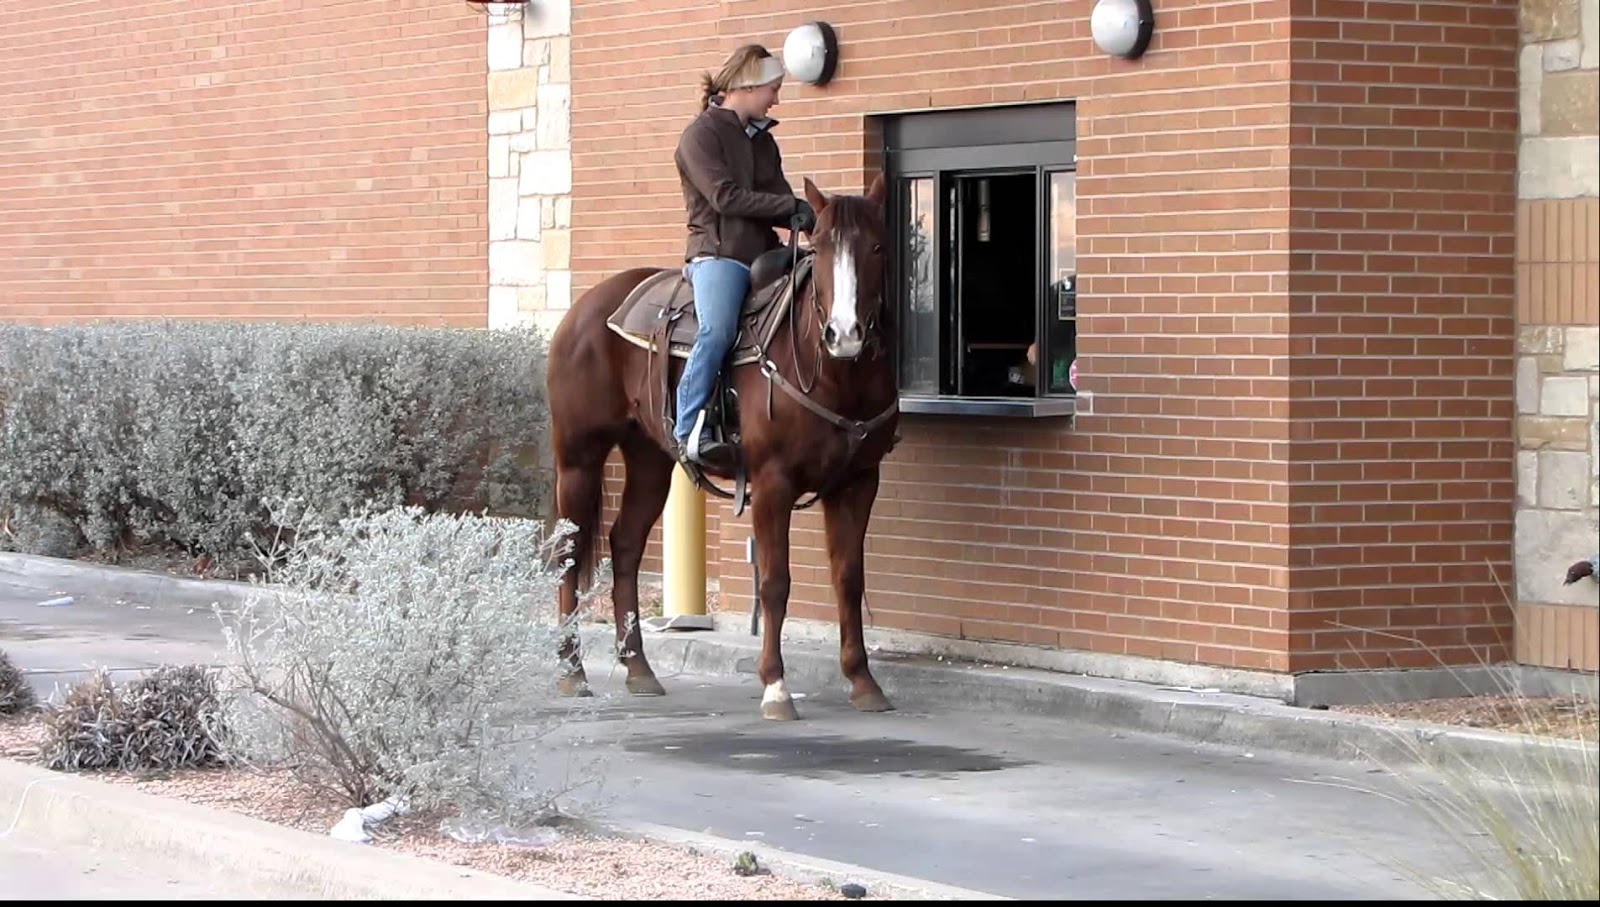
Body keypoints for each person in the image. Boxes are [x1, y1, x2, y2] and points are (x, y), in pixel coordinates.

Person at [671, 43, 817, 468]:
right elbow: (723, 197)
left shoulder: (764, 143)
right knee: (716, 331)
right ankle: (688, 428)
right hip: (719, 257)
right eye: (773, 88)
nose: (776, 98)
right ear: (748, 86)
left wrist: (814, 221)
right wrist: (788, 207)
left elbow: (777, 195)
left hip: (765, 255)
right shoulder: (700, 135)